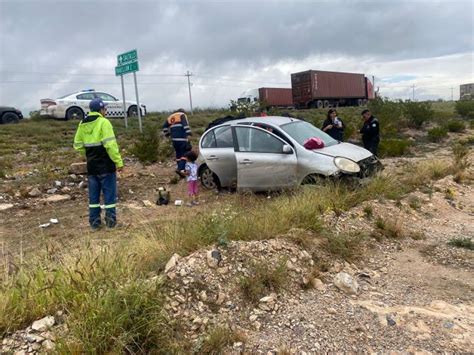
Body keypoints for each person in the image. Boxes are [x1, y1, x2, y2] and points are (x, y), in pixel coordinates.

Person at [73, 98, 123, 229]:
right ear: (101, 109)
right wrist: (118, 162)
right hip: (106, 165)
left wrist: (89, 153)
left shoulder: (82, 123)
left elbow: (77, 145)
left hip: (92, 166)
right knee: (109, 196)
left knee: (93, 198)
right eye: (104, 108)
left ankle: (95, 224)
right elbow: (110, 145)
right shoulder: (104, 122)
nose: (105, 111)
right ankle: (111, 223)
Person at [162, 108, 192, 177]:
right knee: (185, 154)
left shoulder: (170, 117)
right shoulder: (182, 115)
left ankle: (181, 172)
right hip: (182, 139)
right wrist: (189, 134)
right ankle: (180, 169)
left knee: (178, 155)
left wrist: (167, 134)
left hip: (174, 140)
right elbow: (185, 125)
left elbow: (164, 126)